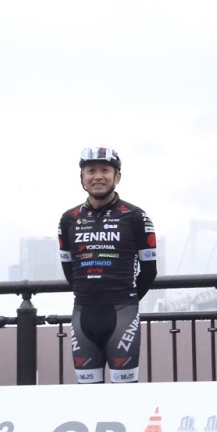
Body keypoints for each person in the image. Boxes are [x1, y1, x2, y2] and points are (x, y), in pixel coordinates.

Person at [57, 146, 157, 383]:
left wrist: (128, 297)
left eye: (105, 170)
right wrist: (88, 292)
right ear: (82, 177)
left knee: (125, 391)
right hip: (83, 312)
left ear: (117, 177)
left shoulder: (136, 216)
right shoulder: (68, 219)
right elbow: (68, 267)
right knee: (88, 391)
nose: (98, 176)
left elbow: (149, 270)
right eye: (91, 170)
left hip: (123, 312)